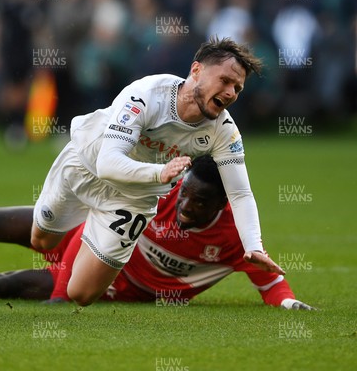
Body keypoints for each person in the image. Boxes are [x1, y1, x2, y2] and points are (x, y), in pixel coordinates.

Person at [0, 156, 314, 310]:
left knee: (1, 285)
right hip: (84, 236)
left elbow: (270, 282)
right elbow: (101, 209)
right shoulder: (161, 188)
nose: (184, 206)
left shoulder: (233, 236)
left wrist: (290, 304)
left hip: (118, 283)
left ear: (224, 205)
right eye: (183, 193)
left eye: (198, 203)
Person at [30, 36, 284, 306]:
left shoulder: (224, 132)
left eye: (237, 88)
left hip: (133, 197)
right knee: (41, 241)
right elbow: (107, 163)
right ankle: (82, 228)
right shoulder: (148, 94)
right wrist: (159, 173)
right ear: (196, 71)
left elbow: (240, 193)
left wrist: (253, 246)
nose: (231, 93)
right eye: (225, 81)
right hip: (86, 166)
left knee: (81, 295)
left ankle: (94, 234)